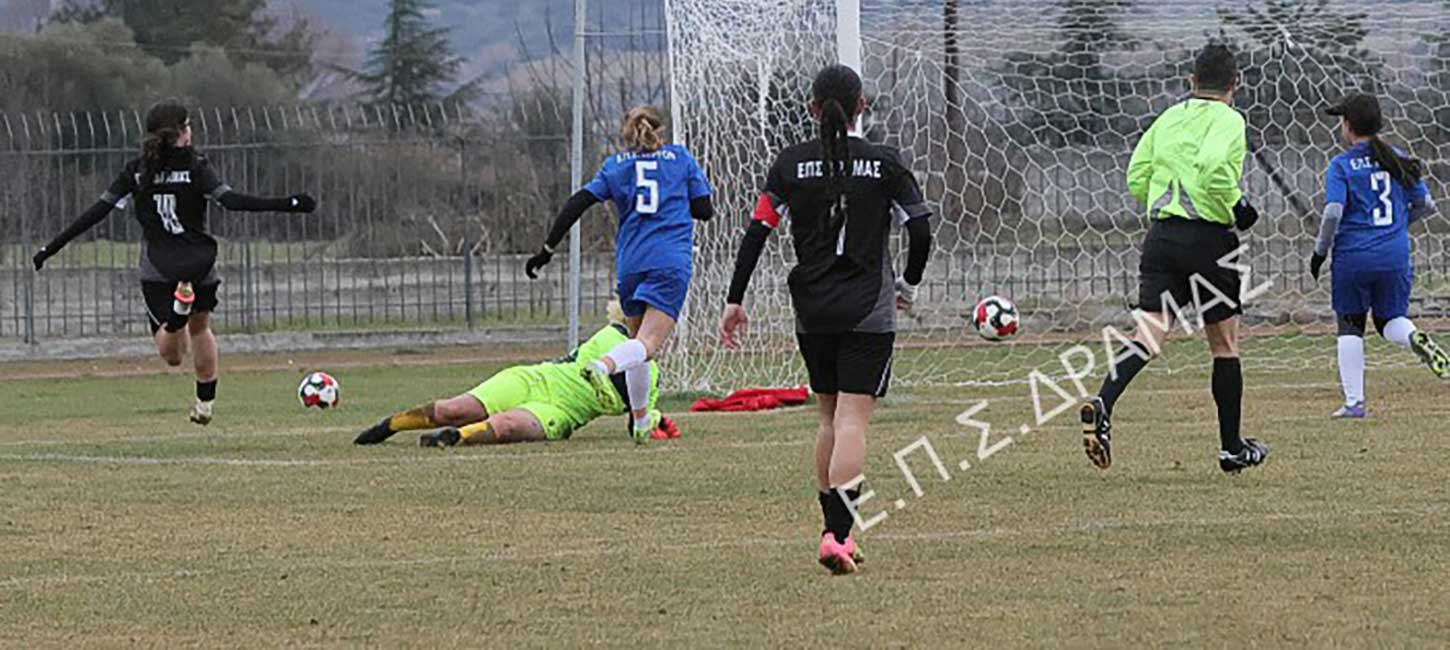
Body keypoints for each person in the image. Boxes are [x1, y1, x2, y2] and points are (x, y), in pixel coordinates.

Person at [719, 64, 933, 575]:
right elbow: (921, 228)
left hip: (812, 307)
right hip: (867, 307)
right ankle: (837, 536)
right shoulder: (884, 162)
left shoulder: (790, 164)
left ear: (812, 109)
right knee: (853, 419)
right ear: (861, 106)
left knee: (828, 417)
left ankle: (834, 532)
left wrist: (734, 299)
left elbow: (757, 232)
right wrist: (908, 283)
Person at [31, 101, 315, 425]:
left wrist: (50, 248)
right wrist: (290, 203)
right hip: (199, 262)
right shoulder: (197, 167)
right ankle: (205, 404)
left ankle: (177, 316)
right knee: (201, 328)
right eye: (189, 125)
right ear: (182, 133)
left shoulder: (136, 171)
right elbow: (232, 202)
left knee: (172, 355)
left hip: (159, 266)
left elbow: (96, 212)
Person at [1078, 44, 1269, 474]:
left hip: (1162, 237)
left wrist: (1166, 202)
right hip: (1209, 241)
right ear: (1235, 84)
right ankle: (1231, 449)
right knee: (1224, 344)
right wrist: (1237, 205)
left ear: (1191, 81)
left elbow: (1136, 175)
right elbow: (1214, 166)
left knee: (1148, 335)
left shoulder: (1168, 117)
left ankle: (1104, 402)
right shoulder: (1229, 119)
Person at [523, 106, 713, 444]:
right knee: (648, 344)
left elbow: (578, 202)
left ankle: (640, 422)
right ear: (660, 131)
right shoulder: (681, 159)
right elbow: (704, 210)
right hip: (668, 261)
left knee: (638, 345)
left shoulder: (615, 166)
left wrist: (547, 249)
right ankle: (603, 366)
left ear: (627, 135)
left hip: (631, 263)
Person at [1310, 93, 1447, 419]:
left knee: (1351, 324)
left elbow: (1333, 212)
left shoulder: (1341, 165)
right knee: (1389, 320)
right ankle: (1414, 337)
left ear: (1348, 126)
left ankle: (1354, 403)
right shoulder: (1398, 158)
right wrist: (1397, 225)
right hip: (1394, 255)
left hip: (1354, 256)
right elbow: (1427, 205)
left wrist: (1319, 252)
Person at [353, 318, 676, 447]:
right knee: (454, 409)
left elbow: (636, 425)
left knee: (506, 426)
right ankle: (391, 425)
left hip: (560, 413)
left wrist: (656, 419)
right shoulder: (614, 333)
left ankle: (454, 438)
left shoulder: (650, 378)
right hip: (534, 378)